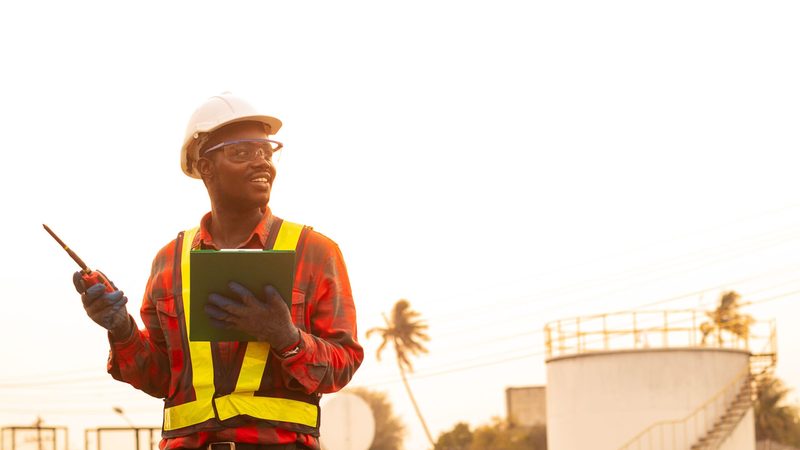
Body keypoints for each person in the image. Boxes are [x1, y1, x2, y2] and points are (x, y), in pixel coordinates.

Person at [72, 93, 364, 450]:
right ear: (205, 166)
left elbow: (343, 364)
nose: (262, 163)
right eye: (243, 153)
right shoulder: (170, 261)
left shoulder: (315, 253)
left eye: (267, 151)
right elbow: (163, 377)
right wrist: (122, 329)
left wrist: (287, 338)